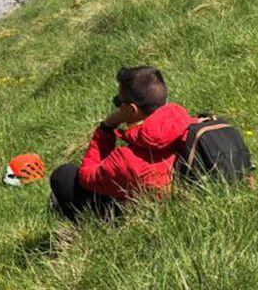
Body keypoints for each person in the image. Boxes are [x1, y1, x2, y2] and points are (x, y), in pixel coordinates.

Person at [50, 66, 197, 221]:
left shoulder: (125, 159)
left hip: (146, 213)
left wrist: (106, 128)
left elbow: (86, 176)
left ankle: (85, 227)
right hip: (178, 198)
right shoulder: (188, 123)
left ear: (132, 110)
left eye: (118, 101)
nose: (117, 105)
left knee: (64, 176)